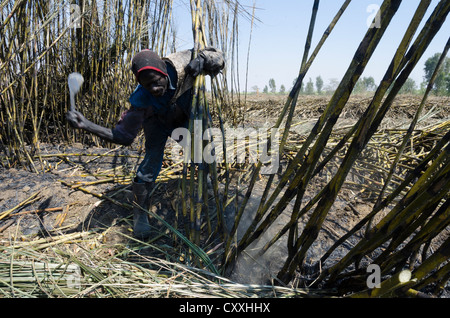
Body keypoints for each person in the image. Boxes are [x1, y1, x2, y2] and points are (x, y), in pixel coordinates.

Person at [66, 47, 225, 239]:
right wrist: (87, 125)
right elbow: (123, 137)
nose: (154, 89)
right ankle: (140, 211)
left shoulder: (183, 63)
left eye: (157, 82)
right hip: (157, 123)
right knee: (151, 161)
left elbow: (217, 56)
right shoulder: (141, 98)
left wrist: (203, 59)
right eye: (147, 85)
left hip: (185, 116)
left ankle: (207, 183)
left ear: (163, 71)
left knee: (203, 151)